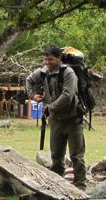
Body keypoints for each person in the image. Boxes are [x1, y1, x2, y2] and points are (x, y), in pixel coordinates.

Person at [24, 44, 87, 189]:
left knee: (76, 156)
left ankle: (81, 187)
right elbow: (28, 81)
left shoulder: (68, 73)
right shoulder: (43, 72)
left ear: (59, 59)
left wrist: (50, 107)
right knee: (56, 157)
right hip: (56, 120)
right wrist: (32, 95)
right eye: (45, 60)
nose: (47, 63)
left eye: (50, 60)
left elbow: (67, 95)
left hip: (73, 119)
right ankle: (57, 187)